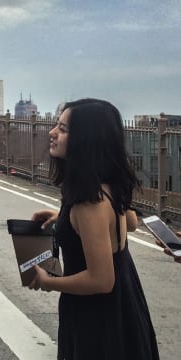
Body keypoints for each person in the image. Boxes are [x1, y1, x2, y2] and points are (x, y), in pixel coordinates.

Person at [28, 98, 159, 359]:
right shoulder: (108, 187)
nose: (52, 133)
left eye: (63, 129)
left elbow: (101, 280)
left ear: (85, 141)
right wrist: (63, 218)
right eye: (57, 125)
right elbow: (128, 222)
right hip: (124, 307)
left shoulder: (89, 202)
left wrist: (48, 282)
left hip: (98, 321)